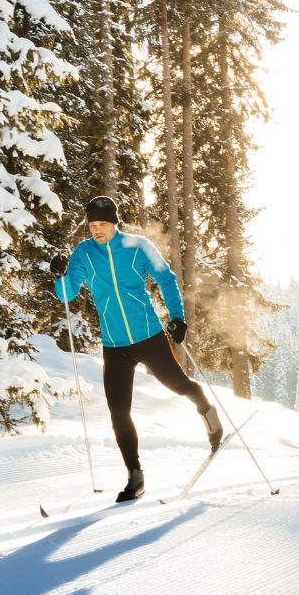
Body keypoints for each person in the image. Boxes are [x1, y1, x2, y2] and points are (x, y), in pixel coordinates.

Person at [50, 196, 223, 502]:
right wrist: (59, 276)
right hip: (114, 345)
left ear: (115, 223)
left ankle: (204, 406)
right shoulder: (83, 253)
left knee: (179, 385)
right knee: (119, 412)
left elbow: (166, 280)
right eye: (92, 225)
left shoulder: (139, 246)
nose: (97, 230)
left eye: (102, 224)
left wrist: (178, 318)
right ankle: (135, 475)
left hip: (148, 336)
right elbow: (67, 294)